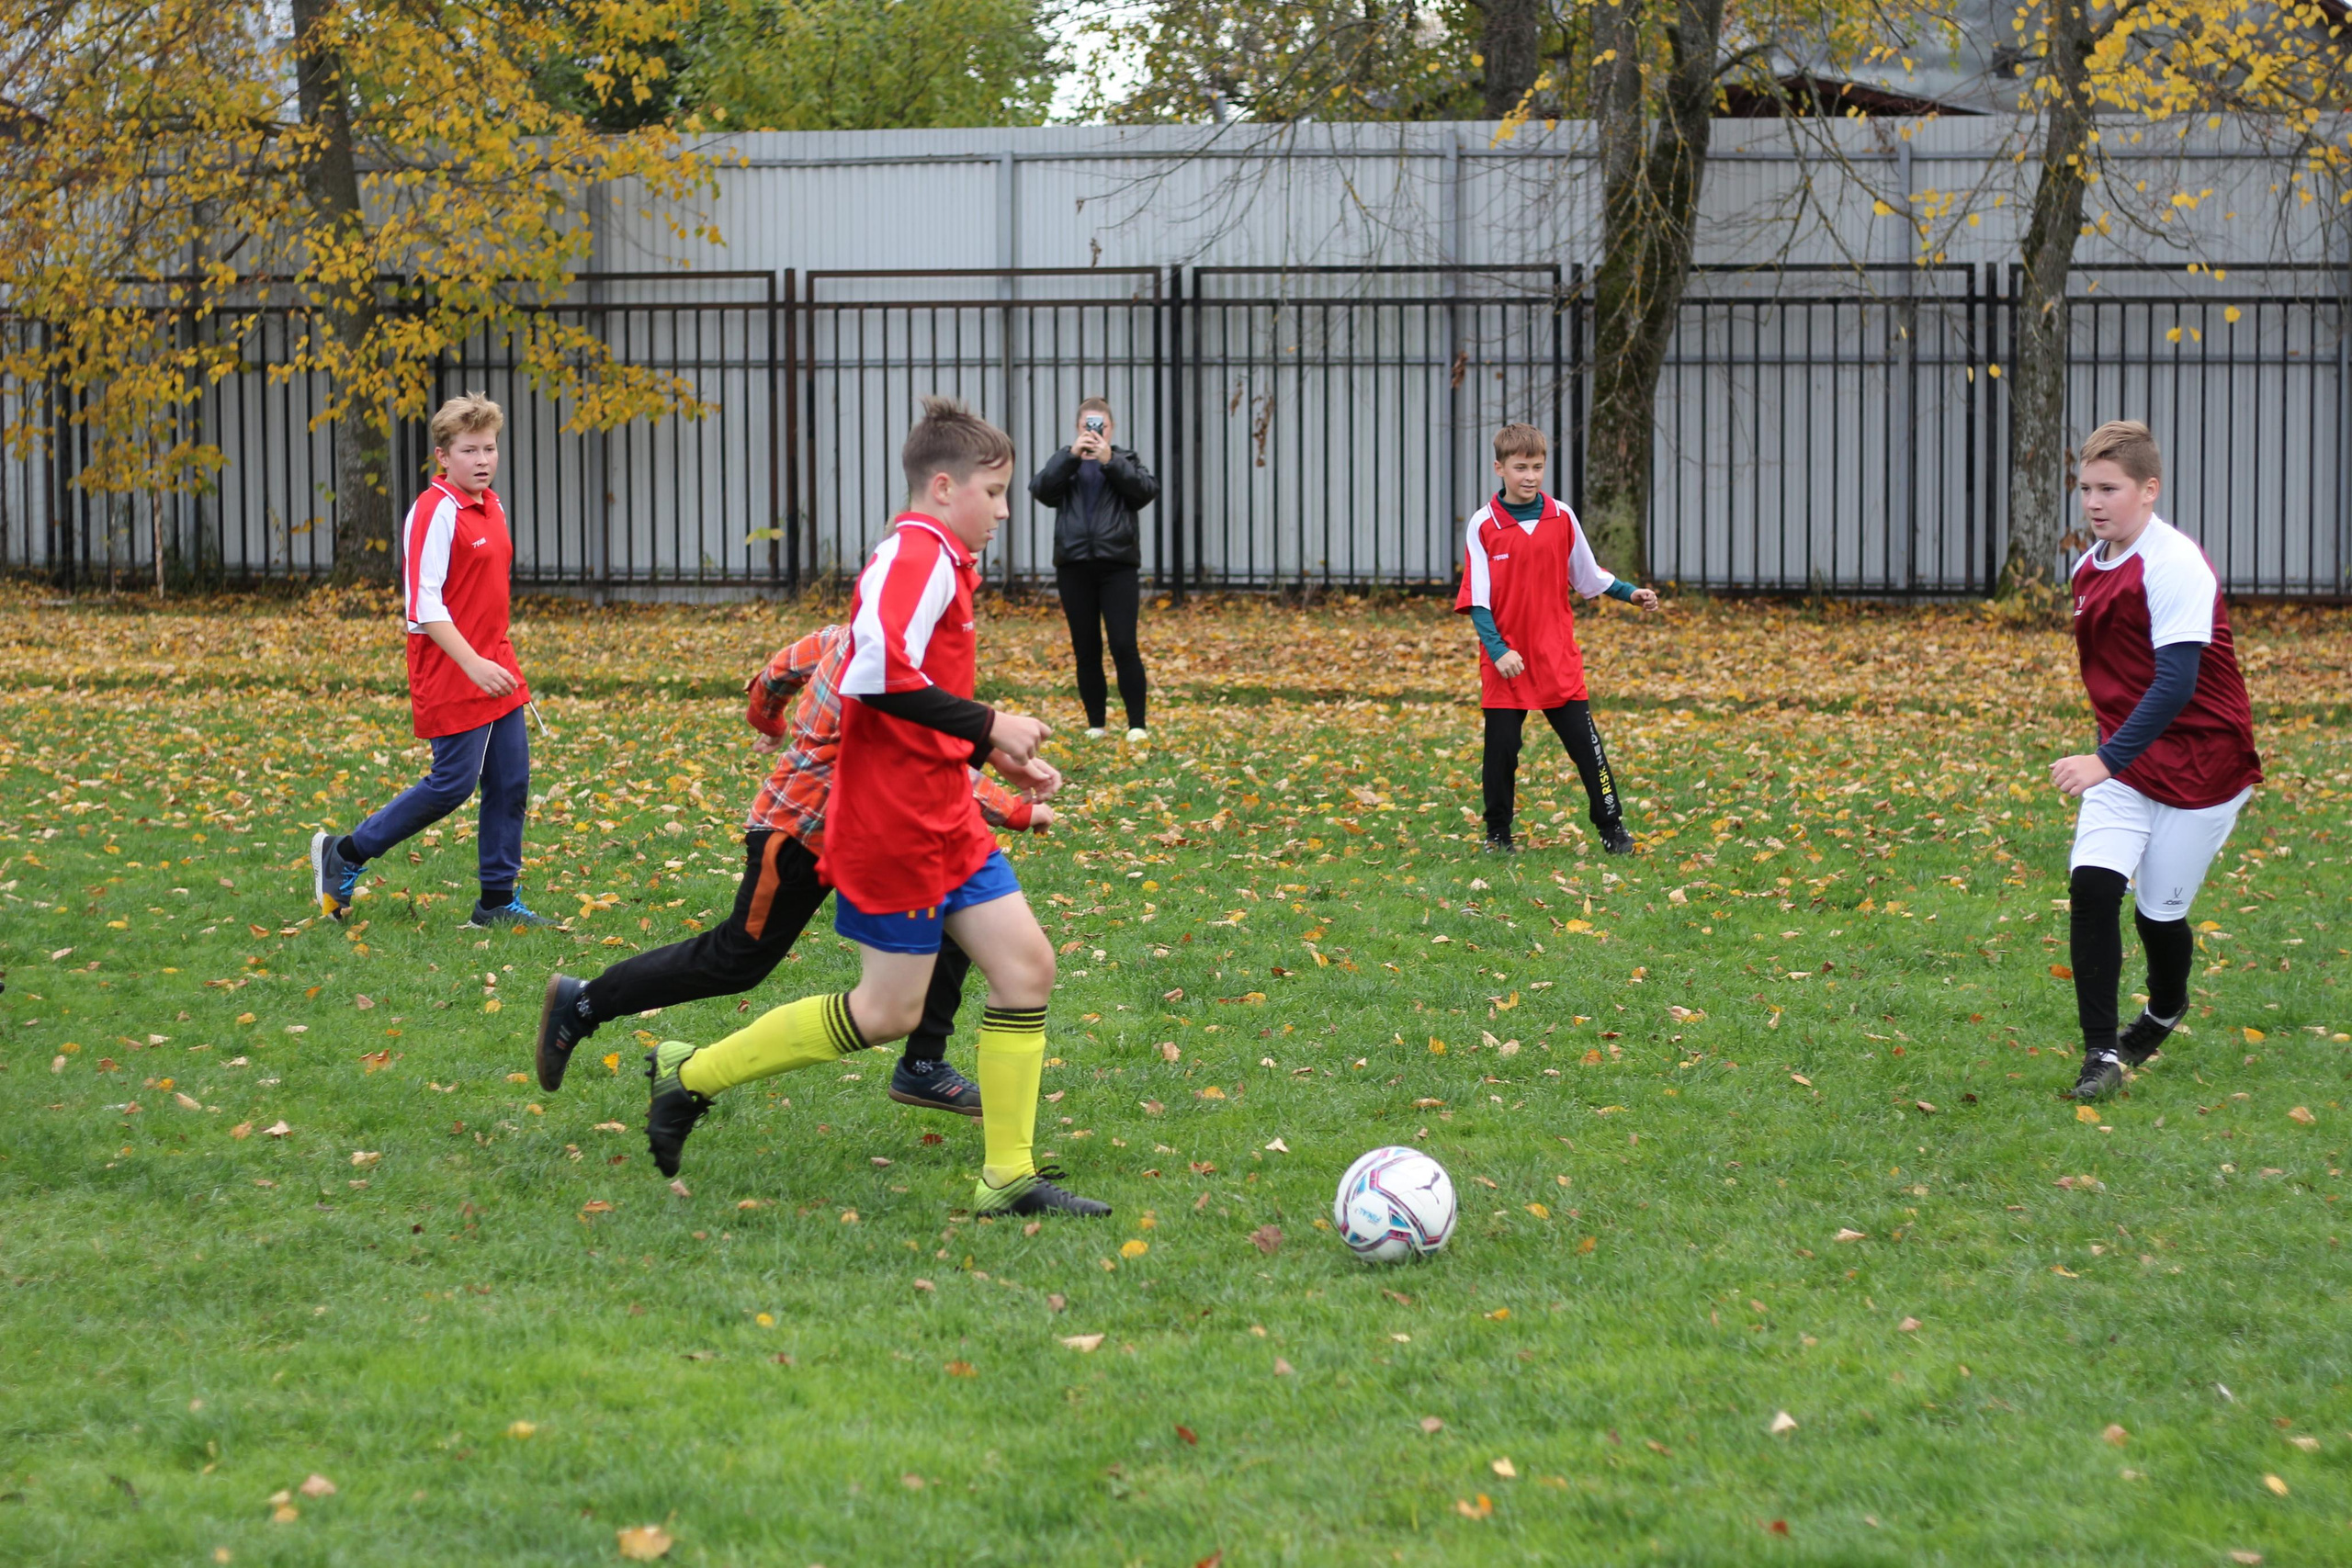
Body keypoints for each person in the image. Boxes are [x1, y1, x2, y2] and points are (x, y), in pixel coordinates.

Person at [642, 397, 1109, 1218]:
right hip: (892, 823)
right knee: (887, 1011)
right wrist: (992, 723)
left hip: (942, 812)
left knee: (1027, 967)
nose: (1005, 509)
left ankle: (1008, 1177)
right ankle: (690, 1073)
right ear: (941, 487)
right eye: (993, 492)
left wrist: (984, 748)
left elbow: (910, 699)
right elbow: (874, 675)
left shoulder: (941, 558)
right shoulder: (915, 556)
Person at [530, 622, 1057, 1114]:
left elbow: (777, 672)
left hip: (872, 836)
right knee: (738, 959)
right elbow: (914, 765)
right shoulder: (875, 670)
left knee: (953, 913)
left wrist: (768, 719)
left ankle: (923, 1064)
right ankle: (583, 1004)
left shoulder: (850, 638)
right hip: (798, 831)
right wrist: (1015, 809)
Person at [2051, 420, 2262, 1101]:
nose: (2093, 502)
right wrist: (2113, 758)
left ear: (2150, 490)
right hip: (2129, 765)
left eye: (2108, 488)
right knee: (2091, 888)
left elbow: (2174, 682)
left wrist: (2103, 757)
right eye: (2084, 488)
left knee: (2157, 916)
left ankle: (2167, 1006)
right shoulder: (2088, 566)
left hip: (2206, 768)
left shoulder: (2175, 565)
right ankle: (2101, 1055)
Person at [310, 393, 550, 928]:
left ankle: (496, 903)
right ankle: (345, 853)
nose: (483, 460)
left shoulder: (494, 506)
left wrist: (496, 661)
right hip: (452, 668)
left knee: (510, 782)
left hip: (496, 668)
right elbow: (424, 607)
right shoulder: (434, 510)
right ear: (444, 456)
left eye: (489, 448)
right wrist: (473, 665)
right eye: (469, 451)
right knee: (451, 784)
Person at [1455, 422, 1660, 856]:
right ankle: (1498, 835)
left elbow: (1589, 576)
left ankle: (1612, 828)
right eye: (1520, 467)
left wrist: (1630, 593)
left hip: (1556, 659)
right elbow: (1478, 599)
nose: (1529, 476)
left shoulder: (1561, 516)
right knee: (1501, 754)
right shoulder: (1483, 525)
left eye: (1537, 467)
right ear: (1499, 468)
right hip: (1506, 663)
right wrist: (1498, 651)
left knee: (1589, 750)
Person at [1029, 397, 1157, 742]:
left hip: (1117, 566)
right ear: (1078, 428)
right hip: (1074, 566)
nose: (1094, 432)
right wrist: (1072, 456)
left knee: (1123, 644)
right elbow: (1040, 490)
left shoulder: (1125, 460)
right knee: (1086, 648)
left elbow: (1145, 492)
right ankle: (1096, 725)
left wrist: (1110, 461)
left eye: (1100, 425)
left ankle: (1136, 726)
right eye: (1088, 426)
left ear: (1111, 428)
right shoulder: (1065, 461)